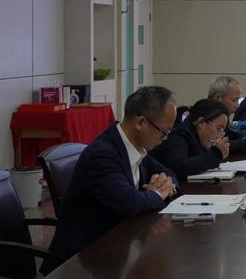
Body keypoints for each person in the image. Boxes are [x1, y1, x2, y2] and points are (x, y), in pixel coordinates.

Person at [48, 86, 179, 260]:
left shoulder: (136, 147)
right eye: (164, 132)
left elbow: (168, 172)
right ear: (140, 123)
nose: (166, 138)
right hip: (85, 257)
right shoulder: (103, 155)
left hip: (120, 244)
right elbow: (129, 202)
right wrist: (158, 193)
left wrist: (169, 186)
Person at [150, 99, 230, 181]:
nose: (220, 135)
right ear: (201, 122)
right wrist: (216, 154)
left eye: (222, 131)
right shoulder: (178, 135)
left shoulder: (199, 138)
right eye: (219, 129)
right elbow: (179, 167)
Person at [208, 76, 246, 153]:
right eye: (234, 100)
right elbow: (215, 145)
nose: (238, 106)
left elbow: (234, 134)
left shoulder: (222, 117)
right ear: (218, 98)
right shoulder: (206, 118)